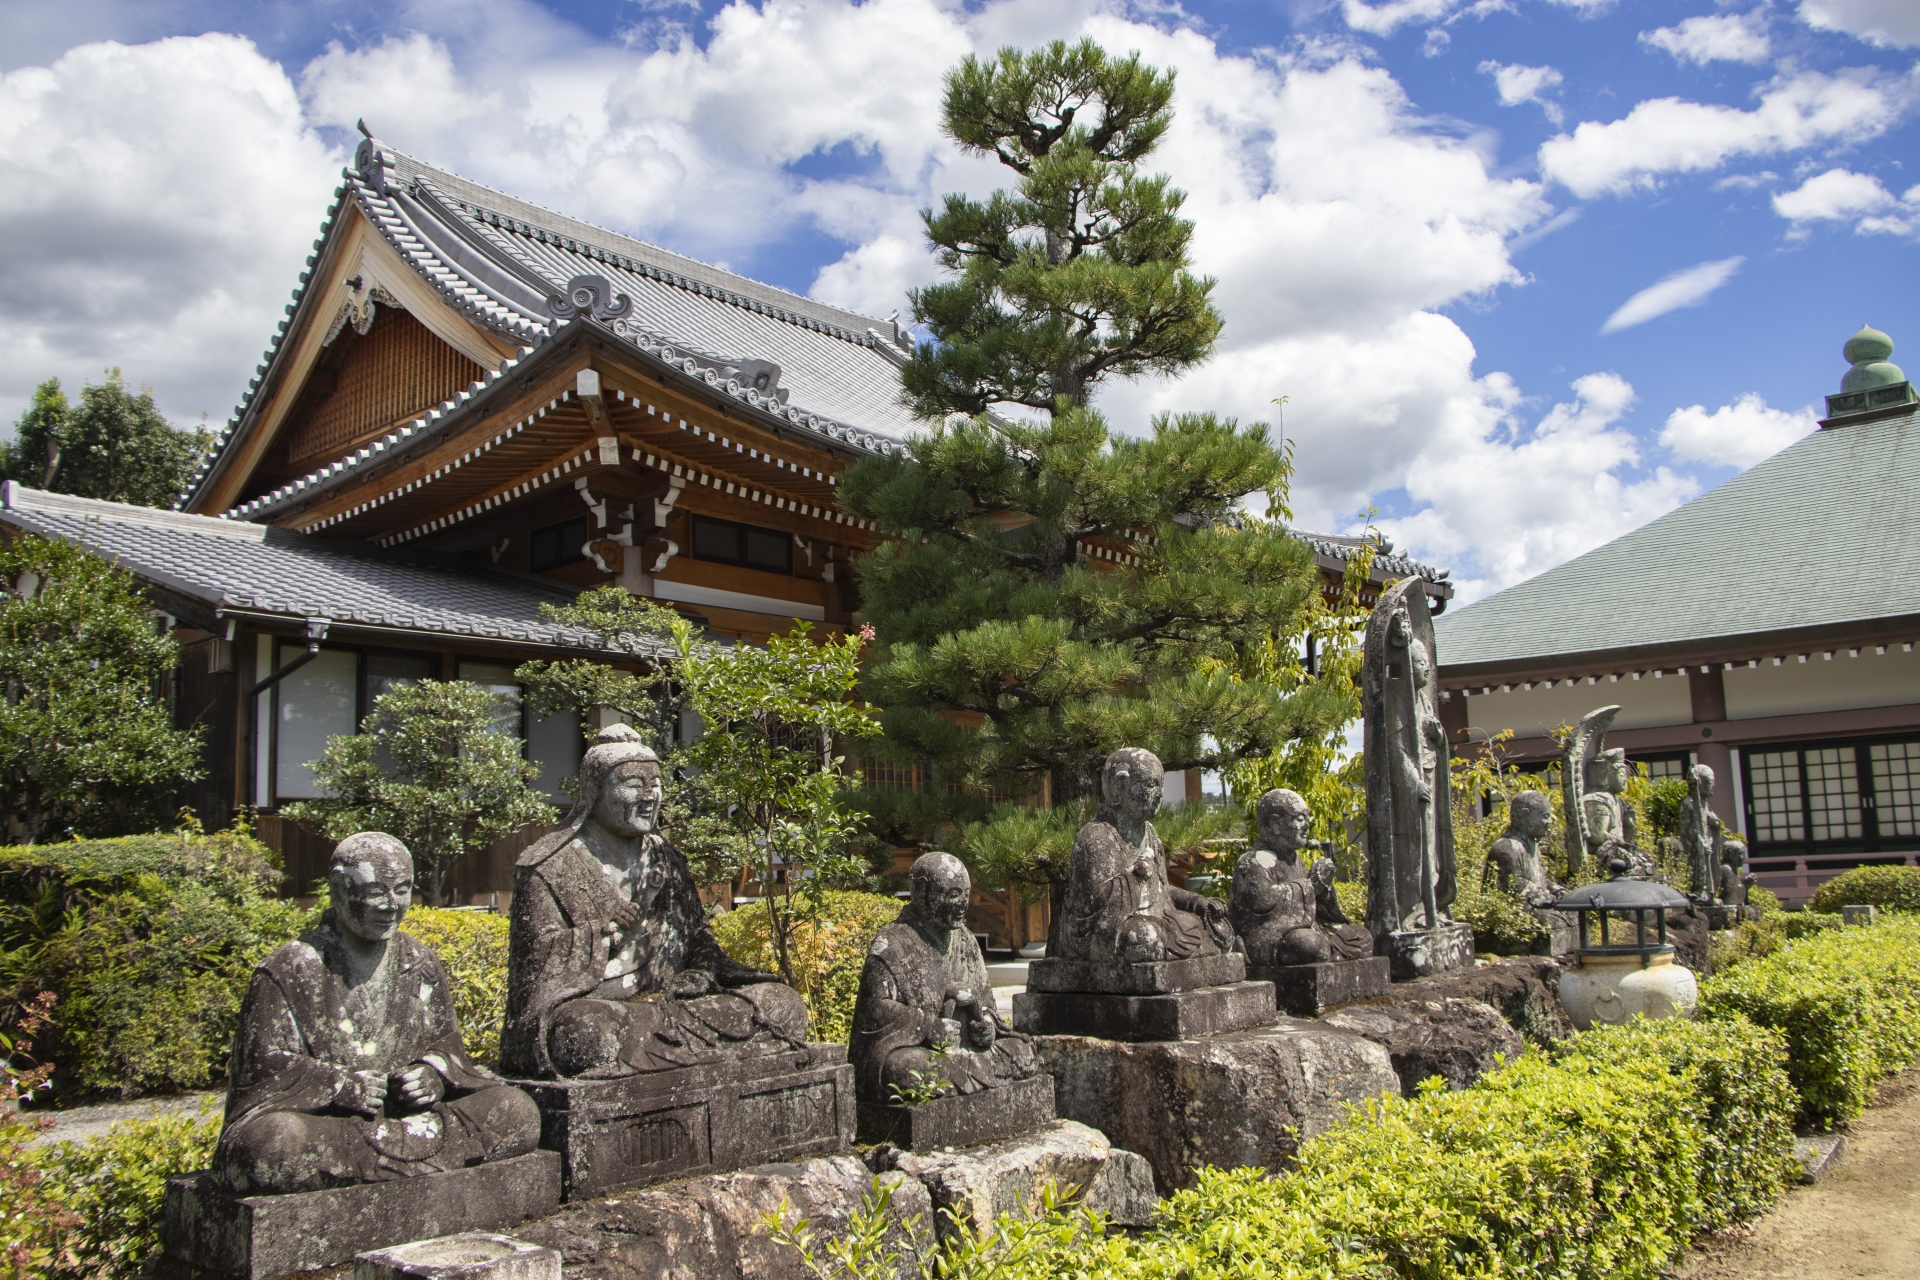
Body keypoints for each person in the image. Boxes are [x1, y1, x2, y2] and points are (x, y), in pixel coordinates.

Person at [215, 833, 540, 1194]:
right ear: (339, 888)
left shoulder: (420, 962)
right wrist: (339, 1086)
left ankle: (378, 1163)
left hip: (407, 1119)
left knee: (516, 1110)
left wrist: (433, 1073)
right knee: (272, 1143)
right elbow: (262, 1066)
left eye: (402, 890)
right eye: (375, 892)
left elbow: (447, 1048)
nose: (390, 905)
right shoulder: (289, 969)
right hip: (334, 1126)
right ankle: (410, 1162)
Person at [500, 725, 807, 1079]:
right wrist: (607, 934)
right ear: (594, 791)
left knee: (782, 1005)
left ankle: (662, 1047)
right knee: (582, 1033)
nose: (649, 796)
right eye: (633, 784)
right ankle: (676, 1046)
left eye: (656, 784)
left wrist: (700, 973)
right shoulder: (551, 867)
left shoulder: (666, 857)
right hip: (605, 1009)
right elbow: (535, 976)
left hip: (672, 1004)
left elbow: (699, 938)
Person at [849, 852, 1041, 1104]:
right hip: (921, 1050)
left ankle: (963, 1075)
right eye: (953, 894)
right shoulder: (891, 944)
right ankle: (970, 1075)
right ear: (921, 890)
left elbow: (986, 1003)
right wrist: (929, 1026)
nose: (962, 904)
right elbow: (874, 1010)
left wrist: (985, 1024)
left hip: (965, 1048)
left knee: (1022, 1050)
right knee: (906, 1070)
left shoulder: (966, 940)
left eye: (965, 894)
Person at [1058, 747, 1233, 964]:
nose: (1159, 794)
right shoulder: (1095, 837)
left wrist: (1197, 902)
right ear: (1120, 786)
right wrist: (1135, 877)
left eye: (1160, 785)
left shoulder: (1150, 833)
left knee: (1218, 929)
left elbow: (1162, 891)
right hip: (1109, 929)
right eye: (1151, 785)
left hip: (1157, 918)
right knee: (1144, 939)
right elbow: (1088, 907)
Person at [1231, 789, 1374, 966]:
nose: (1306, 825)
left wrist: (1323, 888)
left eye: (1307, 818)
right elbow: (1262, 902)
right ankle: (1328, 950)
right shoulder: (1252, 861)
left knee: (1362, 935)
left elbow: (1315, 908)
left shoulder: (1295, 860)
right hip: (1268, 936)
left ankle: (1328, 949)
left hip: (1307, 929)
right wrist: (1310, 886)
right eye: (1299, 819)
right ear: (1275, 823)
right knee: (1307, 943)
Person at [1487, 791, 1558, 905]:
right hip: (1519, 908)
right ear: (1524, 814)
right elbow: (1515, 884)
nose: (1550, 821)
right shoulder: (1505, 847)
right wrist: (1547, 896)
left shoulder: (1532, 845)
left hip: (1537, 903)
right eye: (1545, 816)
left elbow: (1541, 880)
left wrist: (1556, 889)